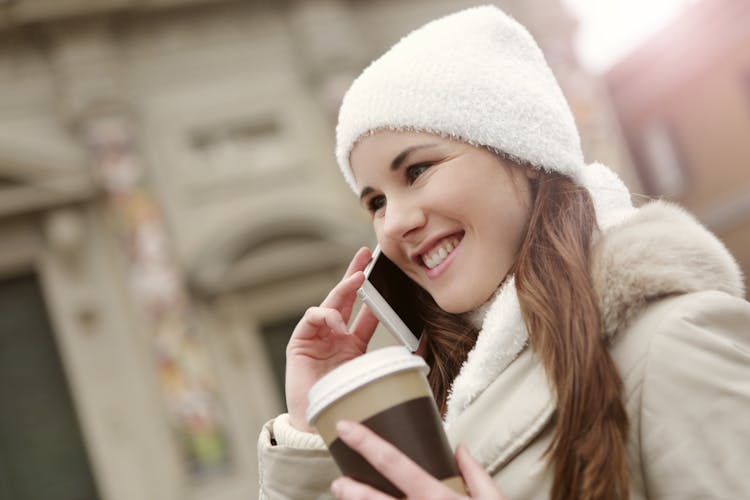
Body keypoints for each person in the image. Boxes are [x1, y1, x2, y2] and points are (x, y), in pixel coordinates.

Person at [257, 5, 750, 499]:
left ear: (522, 153)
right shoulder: (452, 383)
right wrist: (317, 426)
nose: (397, 222)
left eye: (417, 171)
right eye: (377, 202)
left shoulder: (672, 339)